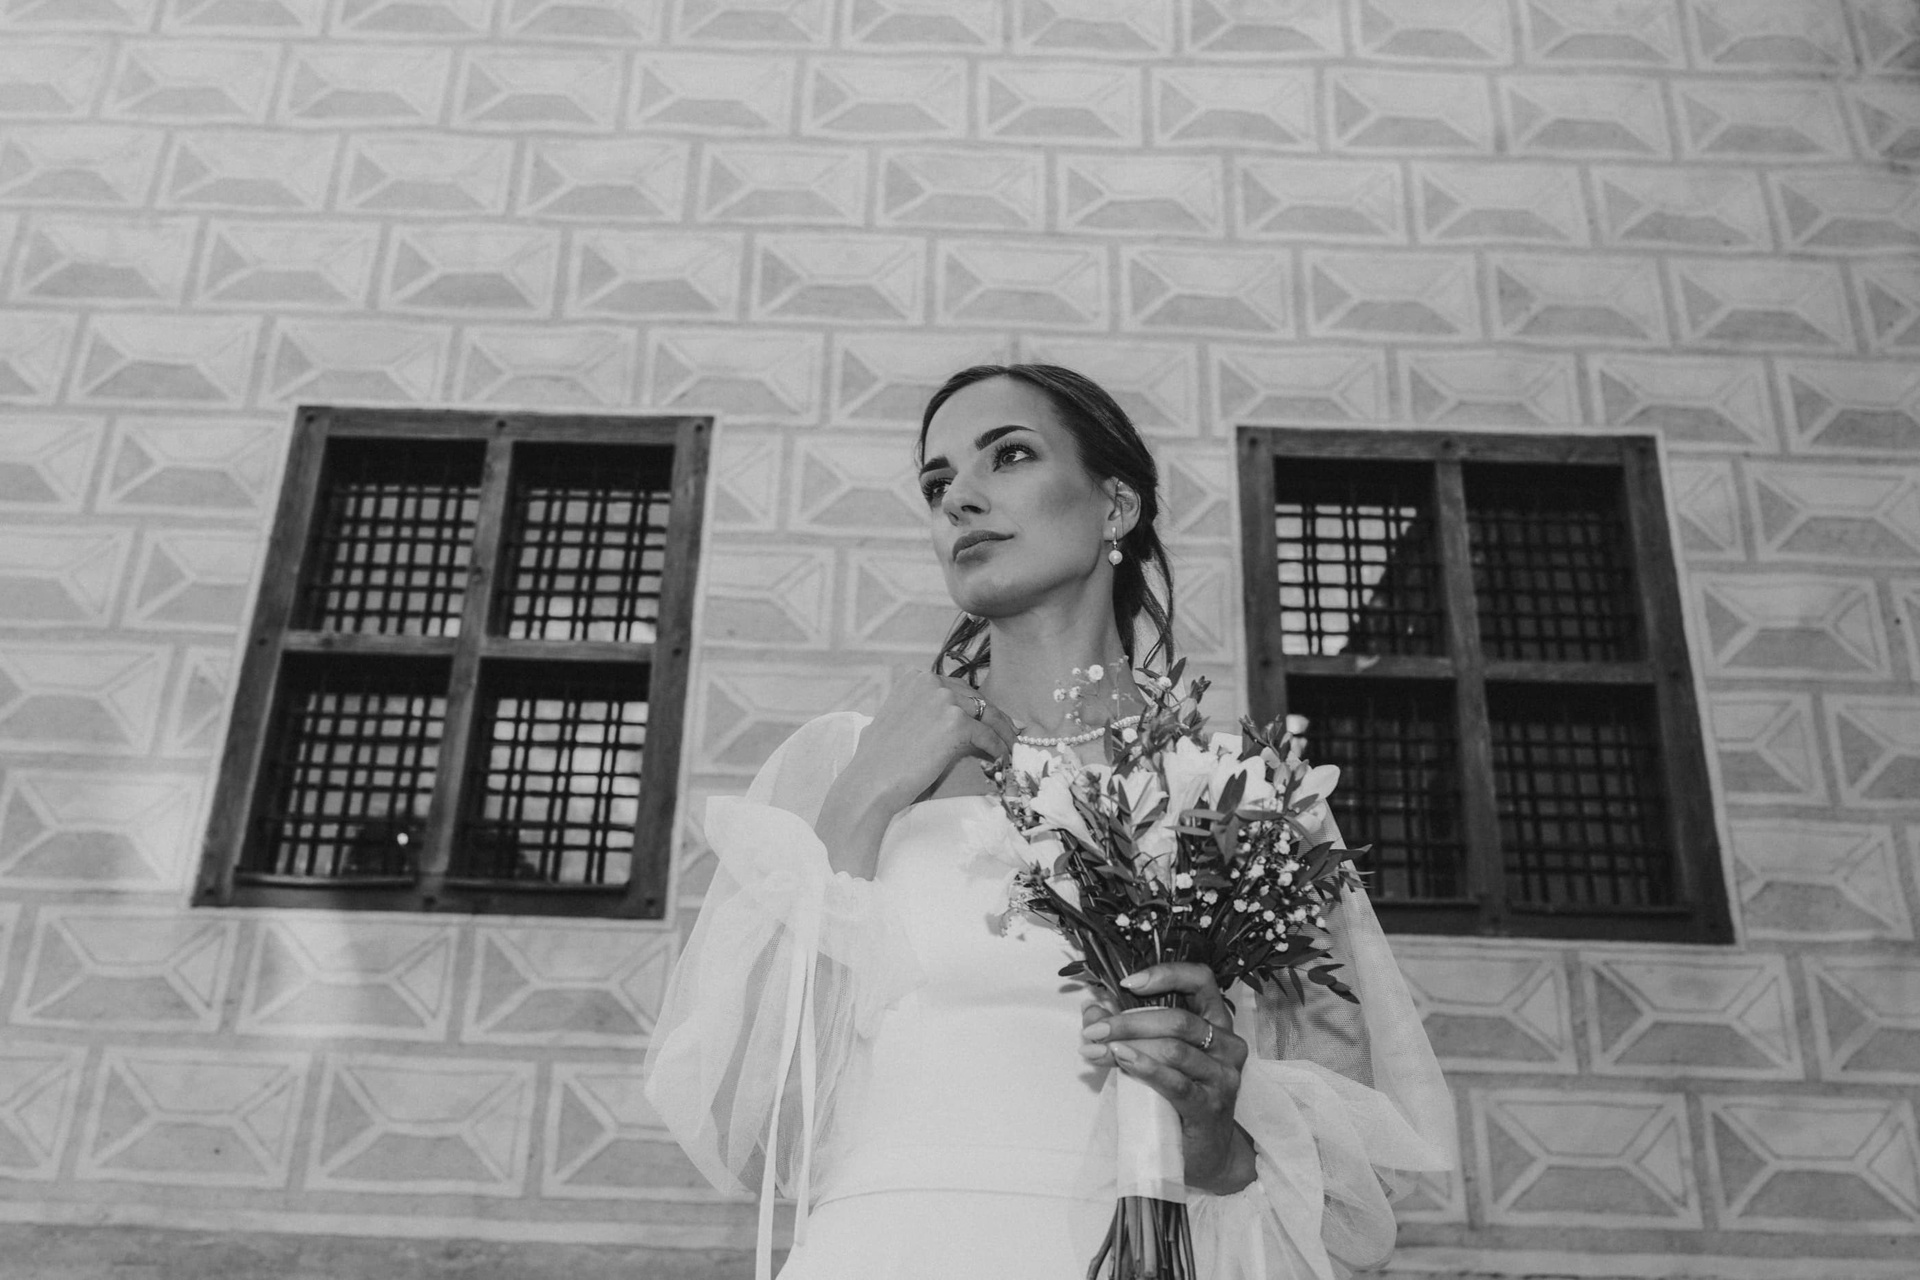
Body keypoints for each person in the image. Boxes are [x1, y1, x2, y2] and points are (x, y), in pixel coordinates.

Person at [642, 365, 1456, 1280]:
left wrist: (1214, 1136)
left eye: (1010, 456)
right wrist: (864, 796)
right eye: (937, 483)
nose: (959, 498)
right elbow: (756, 1112)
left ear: (1116, 505)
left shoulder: (1242, 797)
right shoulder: (846, 763)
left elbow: (1346, 1204)